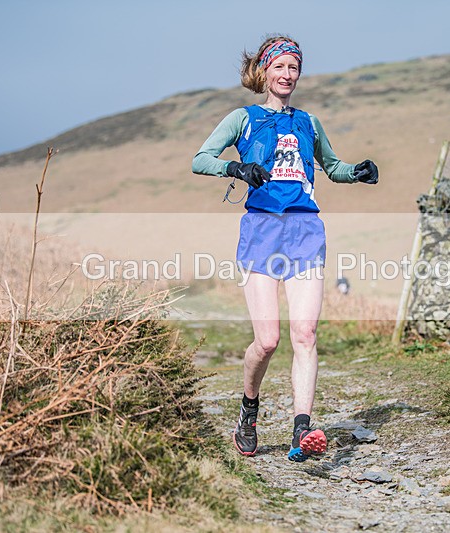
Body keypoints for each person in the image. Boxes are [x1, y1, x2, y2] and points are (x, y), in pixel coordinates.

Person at [192, 34, 379, 462]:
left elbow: (331, 167)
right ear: (264, 71)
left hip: (305, 232)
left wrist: (358, 171)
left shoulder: (309, 123)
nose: (288, 74)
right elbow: (200, 158)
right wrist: (236, 166)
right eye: (280, 66)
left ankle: (301, 430)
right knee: (268, 340)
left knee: (305, 334)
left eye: (294, 67)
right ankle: (249, 408)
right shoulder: (243, 118)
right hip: (261, 233)